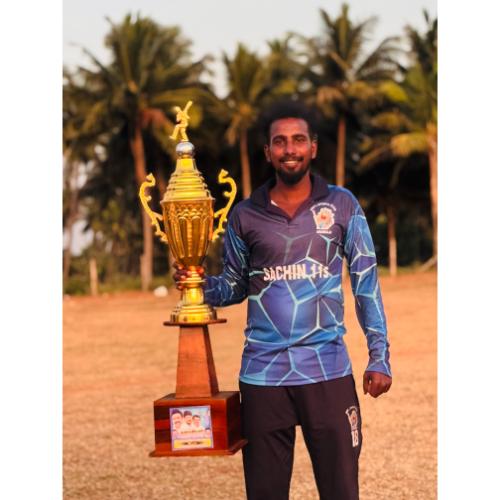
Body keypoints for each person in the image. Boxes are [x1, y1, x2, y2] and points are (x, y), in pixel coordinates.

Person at [174, 100, 391, 500]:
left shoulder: (342, 205)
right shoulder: (245, 215)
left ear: (313, 147)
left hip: (328, 371)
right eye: (280, 141)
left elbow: (366, 285)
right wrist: (197, 284)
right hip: (263, 376)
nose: (289, 149)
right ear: (268, 151)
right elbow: (235, 285)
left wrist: (379, 356)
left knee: (342, 492)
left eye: (298, 140)